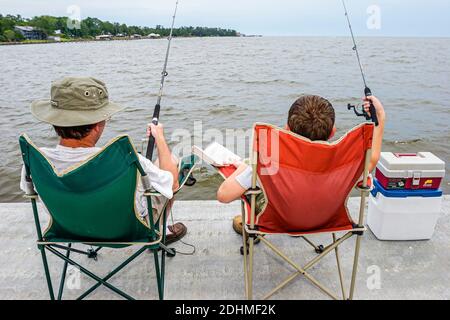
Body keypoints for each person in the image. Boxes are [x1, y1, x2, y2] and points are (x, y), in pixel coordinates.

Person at [19, 77, 187, 244]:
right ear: (98, 124)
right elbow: (172, 184)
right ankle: (161, 231)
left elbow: (29, 192)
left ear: (55, 120)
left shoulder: (35, 160)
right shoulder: (124, 158)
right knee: (171, 162)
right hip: (129, 231)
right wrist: (160, 138)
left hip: (69, 230)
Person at [217, 94, 386, 235]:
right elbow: (372, 158)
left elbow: (224, 195)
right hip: (326, 219)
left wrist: (243, 166)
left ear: (287, 129)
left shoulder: (267, 161)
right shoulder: (345, 164)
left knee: (255, 184)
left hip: (279, 220)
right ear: (333, 131)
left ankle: (250, 226)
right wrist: (380, 116)